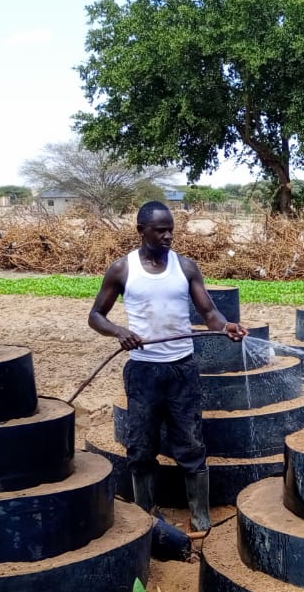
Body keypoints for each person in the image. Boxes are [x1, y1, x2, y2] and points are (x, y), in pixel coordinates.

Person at [89, 201, 245, 534]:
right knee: (141, 446)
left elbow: (209, 313)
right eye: (160, 230)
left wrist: (226, 326)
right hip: (143, 371)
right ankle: (147, 514)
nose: (168, 236)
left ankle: (200, 515)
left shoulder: (186, 267)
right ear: (141, 230)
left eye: (171, 229)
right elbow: (96, 316)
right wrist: (119, 332)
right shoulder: (122, 269)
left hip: (181, 370)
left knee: (190, 443)